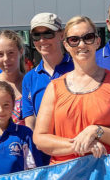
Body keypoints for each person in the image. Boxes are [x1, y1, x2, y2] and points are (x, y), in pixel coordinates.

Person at [33, 15, 110, 164]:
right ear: (66, 45)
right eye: (74, 40)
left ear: (97, 41)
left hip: (106, 178)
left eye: (88, 37)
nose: (81, 44)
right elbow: (40, 139)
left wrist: (96, 131)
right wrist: (82, 146)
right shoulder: (55, 87)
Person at [20, 13, 73, 165]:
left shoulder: (77, 68)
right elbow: (31, 124)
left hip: (76, 152)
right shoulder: (29, 78)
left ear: (61, 35)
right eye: (36, 36)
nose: (42, 40)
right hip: (44, 157)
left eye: (48, 33)